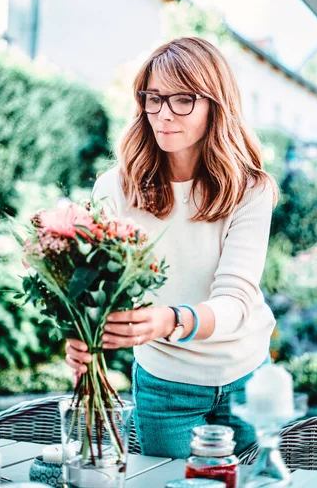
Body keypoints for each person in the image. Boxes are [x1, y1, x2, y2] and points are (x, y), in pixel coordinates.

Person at [65, 36, 278, 459]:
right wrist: (81, 332)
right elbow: (95, 286)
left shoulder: (250, 189)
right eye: (154, 98)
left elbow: (236, 299)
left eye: (183, 100)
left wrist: (170, 320)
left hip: (247, 377)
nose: (163, 114)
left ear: (215, 105)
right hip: (166, 388)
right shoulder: (116, 188)